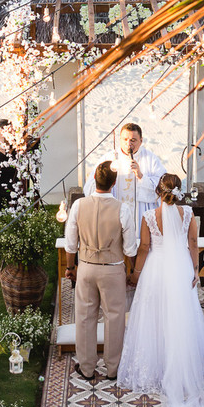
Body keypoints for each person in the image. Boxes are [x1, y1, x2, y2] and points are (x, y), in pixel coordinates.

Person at [119, 173, 204, 407]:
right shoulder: (189, 213)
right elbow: (194, 242)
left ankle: (157, 362)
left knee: (154, 316)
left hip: (156, 269)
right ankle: (182, 362)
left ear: (157, 191)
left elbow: (143, 248)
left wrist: (136, 273)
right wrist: (195, 270)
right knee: (182, 314)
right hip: (180, 266)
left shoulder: (149, 215)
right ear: (178, 192)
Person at [67, 161, 138, 383]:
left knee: (85, 317)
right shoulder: (122, 208)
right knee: (114, 318)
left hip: (87, 267)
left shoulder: (79, 206)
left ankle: (87, 368)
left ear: (94, 180)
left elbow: (70, 244)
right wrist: (131, 269)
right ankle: (113, 368)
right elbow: (130, 248)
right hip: (113, 268)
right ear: (114, 183)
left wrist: (71, 268)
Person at [84, 123, 168, 226]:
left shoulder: (150, 159)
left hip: (140, 214)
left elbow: (163, 186)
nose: (128, 144)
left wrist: (141, 176)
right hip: (114, 215)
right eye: (125, 139)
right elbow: (90, 186)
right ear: (120, 139)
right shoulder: (109, 158)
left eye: (133, 140)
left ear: (141, 141)